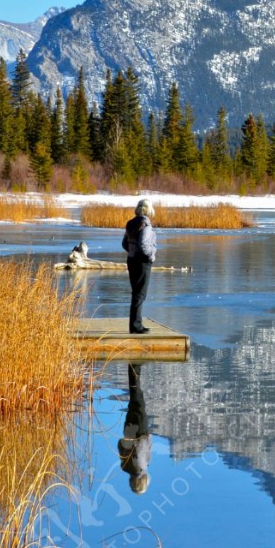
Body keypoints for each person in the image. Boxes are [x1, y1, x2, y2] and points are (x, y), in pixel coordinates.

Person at [121, 198, 157, 334]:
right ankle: (136, 326)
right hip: (143, 262)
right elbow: (143, 245)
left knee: (136, 293)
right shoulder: (146, 225)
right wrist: (151, 255)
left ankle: (136, 324)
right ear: (148, 210)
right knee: (140, 294)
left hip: (131, 260)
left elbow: (124, 243)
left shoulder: (130, 223)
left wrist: (132, 252)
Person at [116, 362, 152, 494]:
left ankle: (135, 363)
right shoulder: (124, 467)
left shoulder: (142, 466)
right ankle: (134, 366)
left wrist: (147, 436)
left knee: (138, 397)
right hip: (128, 430)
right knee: (134, 396)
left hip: (140, 430)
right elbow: (120, 444)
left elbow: (144, 446)